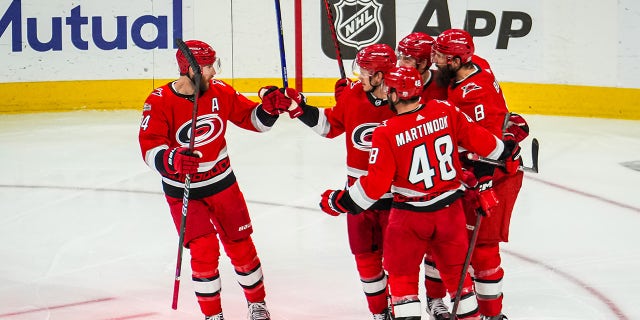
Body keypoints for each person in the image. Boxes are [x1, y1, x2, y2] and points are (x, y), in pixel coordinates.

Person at [318, 66, 521, 320]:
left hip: (409, 219)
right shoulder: (445, 110)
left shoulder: (386, 131)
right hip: (450, 213)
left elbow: (374, 187)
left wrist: (338, 201)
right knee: (461, 280)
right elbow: (483, 142)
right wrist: (509, 148)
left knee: (403, 282)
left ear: (393, 94)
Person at [138, 39, 295, 320]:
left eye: (213, 65)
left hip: (222, 183)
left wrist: (269, 109)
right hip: (183, 189)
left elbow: (252, 120)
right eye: (208, 66)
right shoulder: (159, 101)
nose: (213, 72)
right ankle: (213, 315)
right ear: (189, 69)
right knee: (204, 250)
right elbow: (150, 147)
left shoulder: (220, 92)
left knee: (241, 244)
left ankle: (257, 304)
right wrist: (171, 160)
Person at [281, 43, 397, 319]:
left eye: (366, 72)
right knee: (365, 259)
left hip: (397, 196)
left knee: (397, 262)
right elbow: (330, 126)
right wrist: (300, 108)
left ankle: (400, 307)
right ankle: (379, 312)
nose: (359, 77)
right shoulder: (354, 95)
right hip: (358, 196)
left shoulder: (402, 101)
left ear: (381, 76)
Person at [431, 29, 528, 320]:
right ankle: (438, 299)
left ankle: (491, 313)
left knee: (483, 249)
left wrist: (482, 179)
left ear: (458, 59)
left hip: (493, 176)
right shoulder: (472, 67)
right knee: (442, 238)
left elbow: (488, 147)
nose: (435, 62)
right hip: (469, 173)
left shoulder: (475, 94)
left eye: (441, 57)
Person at [396, 31, 452, 320]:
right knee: (400, 252)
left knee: (436, 249)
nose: (400, 62)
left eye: (407, 57)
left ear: (424, 63)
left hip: (438, 181)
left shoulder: (444, 86)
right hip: (403, 183)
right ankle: (399, 303)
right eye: (400, 55)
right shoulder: (396, 81)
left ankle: (435, 298)